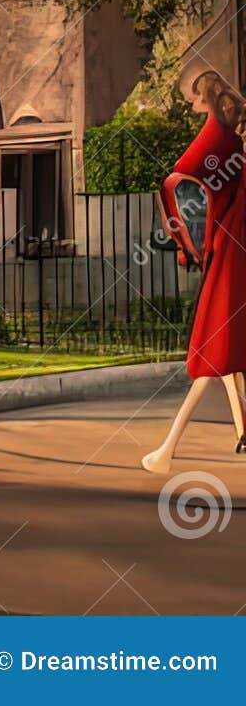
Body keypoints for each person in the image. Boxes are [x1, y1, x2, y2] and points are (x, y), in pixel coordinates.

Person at [143, 61, 246, 474]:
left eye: (194, 101)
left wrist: (187, 245)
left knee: (213, 354)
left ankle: (167, 450)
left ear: (206, 98)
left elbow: (177, 182)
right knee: (228, 357)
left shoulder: (219, 141)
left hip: (229, 255)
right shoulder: (231, 145)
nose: (191, 109)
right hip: (233, 251)